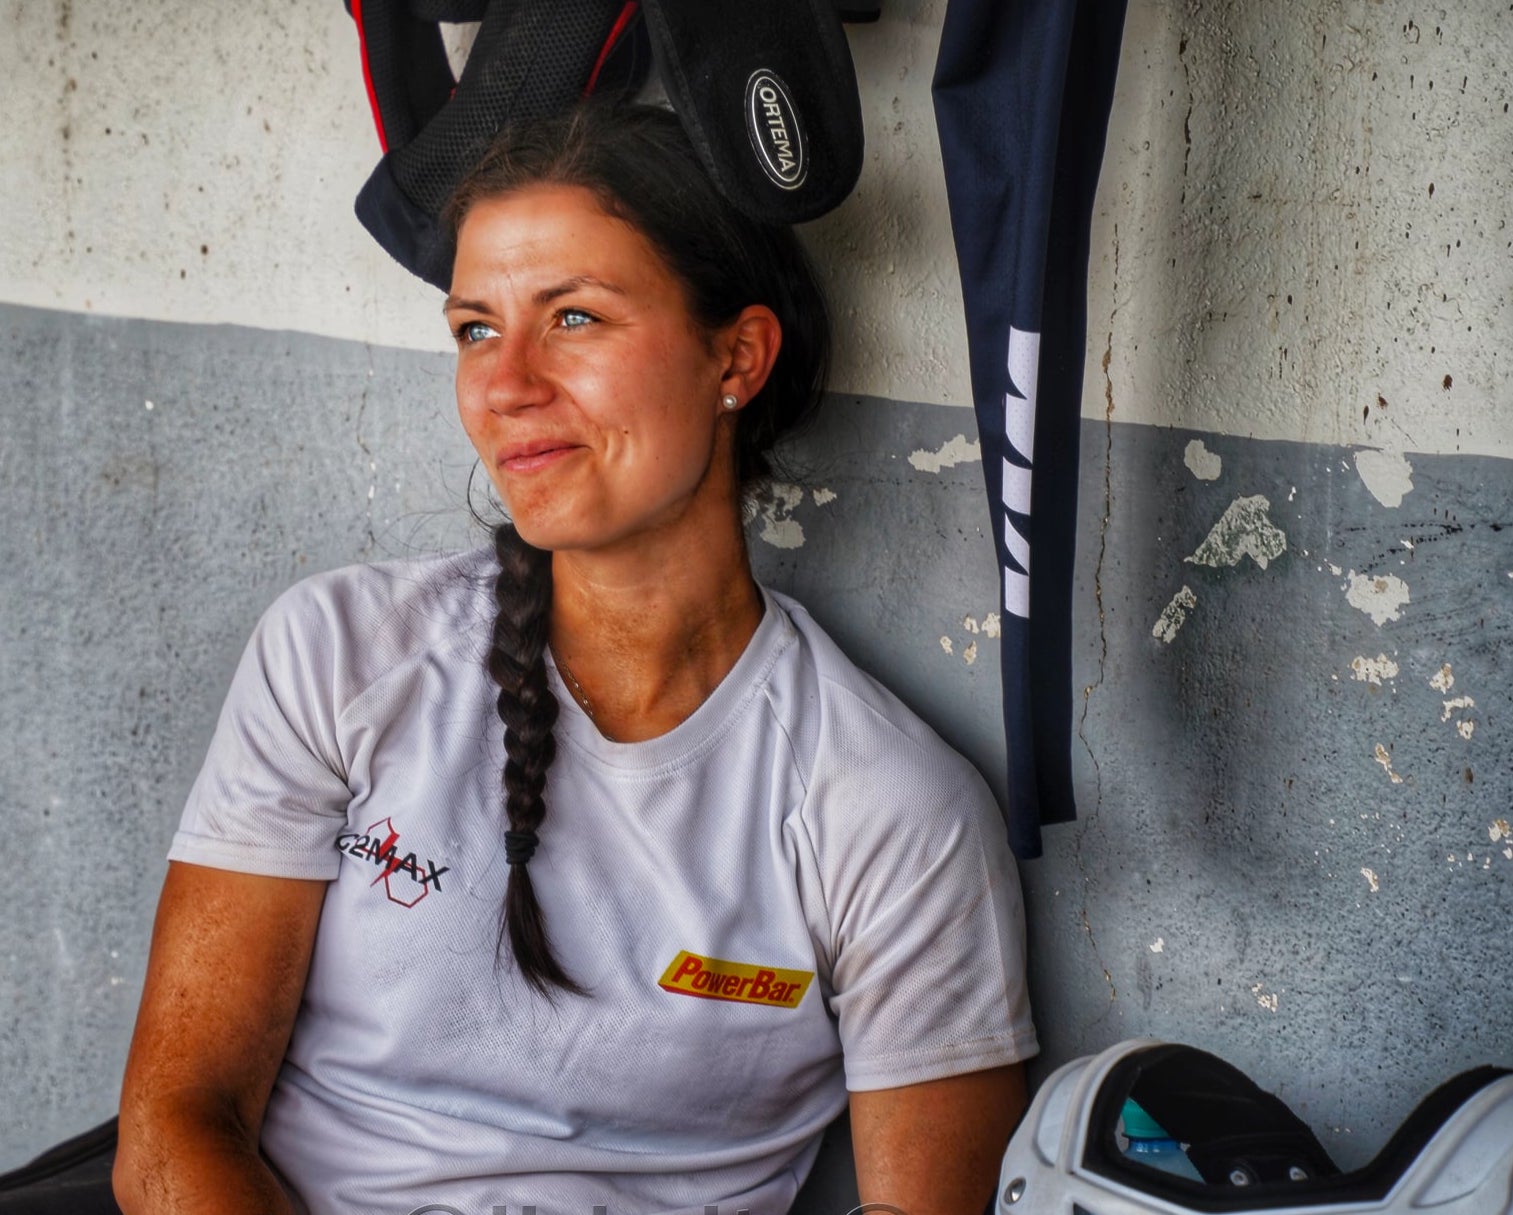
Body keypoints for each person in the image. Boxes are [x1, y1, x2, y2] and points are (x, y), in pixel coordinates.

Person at [113, 103, 1038, 1215]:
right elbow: (177, 1124)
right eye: (473, 328)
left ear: (735, 356)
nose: (505, 384)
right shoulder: (343, 654)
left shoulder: (884, 807)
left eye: (576, 319)